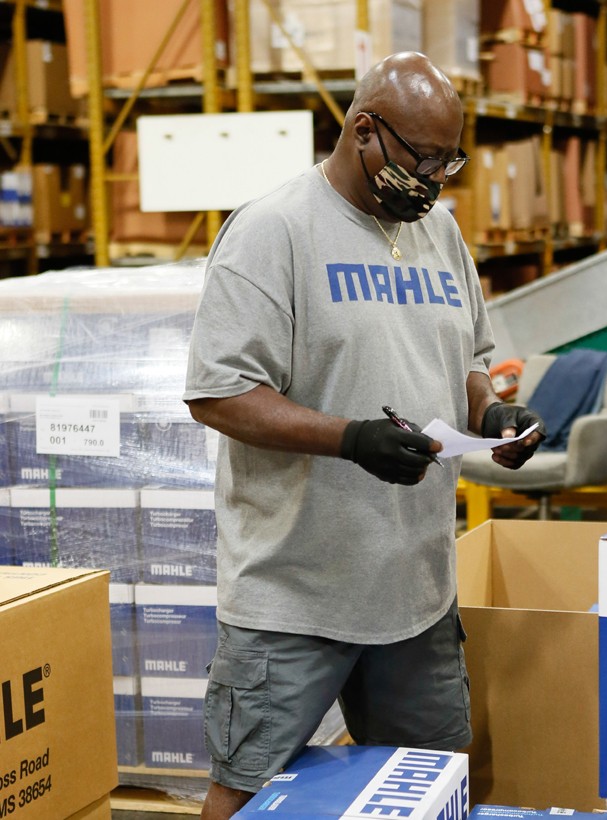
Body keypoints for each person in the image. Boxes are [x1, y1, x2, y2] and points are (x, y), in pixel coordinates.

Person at [183, 51, 546, 820]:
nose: (436, 181)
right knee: (246, 793)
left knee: (430, 791)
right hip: (294, 597)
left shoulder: (440, 232)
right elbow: (219, 393)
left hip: (415, 593)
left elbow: (471, 361)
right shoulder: (273, 231)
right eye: (422, 159)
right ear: (363, 131)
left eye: (451, 161)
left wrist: (494, 417)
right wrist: (351, 439)